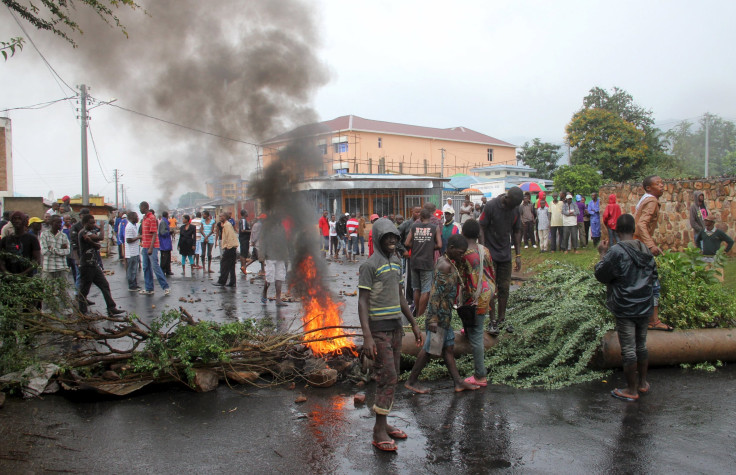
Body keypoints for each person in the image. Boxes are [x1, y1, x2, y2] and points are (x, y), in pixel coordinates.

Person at [358, 218, 422, 452]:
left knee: (390, 375)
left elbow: (401, 296)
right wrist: (367, 337)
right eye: (387, 237)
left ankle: (384, 423)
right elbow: (362, 302)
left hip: (396, 327)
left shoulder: (396, 263)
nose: (392, 240)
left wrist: (414, 324)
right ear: (377, 239)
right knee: (388, 376)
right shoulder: (369, 266)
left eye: (394, 236)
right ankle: (378, 431)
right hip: (379, 329)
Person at [404, 234, 480, 394]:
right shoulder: (444, 266)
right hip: (437, 318)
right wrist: (432, 320)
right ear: (451, 249)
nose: (461, 255)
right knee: (430, 350)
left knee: (448, 349)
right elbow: (435, 295)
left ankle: (458, 382)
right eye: (460, 252)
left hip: (445, 317)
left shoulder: (449, 263)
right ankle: (411, 381)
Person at [594, 214, 655, 403]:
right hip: (645, 304)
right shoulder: (645, 248)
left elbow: (601, 274)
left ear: (617, 230)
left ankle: (631, 389)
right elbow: (653, 274)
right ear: (634, 229)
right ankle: (643, 383)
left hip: (625, 305)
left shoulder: (616, 251)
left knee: (628, 349)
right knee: (641, 345)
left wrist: (602, 253)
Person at [479, 186, 523, 335]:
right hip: (490, 254)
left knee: (504, 287)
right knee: (491, 289)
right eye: (513, 204)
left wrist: (518, 255)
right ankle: (492, 321)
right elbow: (481, 227)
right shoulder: (491, 206)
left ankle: (502, 319)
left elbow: (517, 231)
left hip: (505, 255)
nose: (514, 207)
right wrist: (483, 250)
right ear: (507, 198)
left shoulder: (515, 209)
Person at [460, 219, 495, 387]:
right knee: (473, 321)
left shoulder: (463, 254)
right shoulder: (484, 250)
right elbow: (491, 272)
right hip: (487, 291)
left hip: (476, 295)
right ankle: (468, 329)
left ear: (463, 233)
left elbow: (461, 279)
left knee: (477, 336)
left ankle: (480, 375)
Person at [634, 175, 670, 331]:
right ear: (649, 187)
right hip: (641, 247)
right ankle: (652, 321)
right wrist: (651, 245)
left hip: (636, 244)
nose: (662, 186)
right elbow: (641, 224)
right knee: (653, 283)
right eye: (658, 184)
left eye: (662, 183)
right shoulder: (652, 201)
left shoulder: (646, 198)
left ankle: (646, 319)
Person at [76, 214, 125, 316]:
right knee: (84, 289)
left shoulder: (89, 232)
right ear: (85, 223)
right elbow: (100, 237)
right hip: (86, 265)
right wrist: (102, 227)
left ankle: (111, 308)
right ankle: (82, 311)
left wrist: (97, 230)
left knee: (104, 285)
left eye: (94, 222)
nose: (93, 224)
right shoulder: (83, 233)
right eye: (91, 223)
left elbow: (96, 242)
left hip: (93, 265)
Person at [405, 208, 442, 319]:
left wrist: (416, 246)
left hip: (415, 261)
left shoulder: (414, 227)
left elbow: (407, 242)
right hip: (427, 262)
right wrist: (429, 246)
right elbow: (439, 245)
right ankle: (421, 316)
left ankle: (416, 313)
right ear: (430, 217)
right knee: (426, 289)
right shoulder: (435, 228)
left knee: (416, 288)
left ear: (420, 218)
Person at [138, 201, 170, 296]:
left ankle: (166, 287)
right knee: (146, 267)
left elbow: (154, 234)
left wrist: (151, 248)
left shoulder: (151, 218)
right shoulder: (144, 218)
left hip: (152, 247)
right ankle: (149, 288)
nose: (139, 209)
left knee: (155, 267)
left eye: (140, 207)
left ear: (145, 207)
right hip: (145, 246)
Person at [695, 213, 734, 282]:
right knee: (705, 279)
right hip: (705, 258)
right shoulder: (703, 232)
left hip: (716, 259)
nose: (705, 222)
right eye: (705, 220)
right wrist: (699, 249)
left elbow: (730, 241)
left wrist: (725, 251)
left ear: (712, 222)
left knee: (718, 279)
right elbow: (697, 241)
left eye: (707, 221)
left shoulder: (718, 233)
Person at [0, 211, 41, 276]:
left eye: (19, 219)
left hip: (26, 279)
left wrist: (23, 274)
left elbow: (37, 261)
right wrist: (6, 272)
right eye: (14, 219)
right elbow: (1, 259)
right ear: (11, 222)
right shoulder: (5, 240)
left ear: (24, 222)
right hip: (8, 279)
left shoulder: (32, 239)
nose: (17, 221)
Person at [261, 217, 289, 306]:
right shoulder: (267, 228)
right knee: (269, 277)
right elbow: (263, 242)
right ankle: (264, 292)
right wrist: (262, 255)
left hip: (280, 256)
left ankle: (278, 299)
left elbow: (285, 241)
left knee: (280, 277)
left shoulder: (282, 227)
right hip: (270, 256)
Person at [40, 215, 70, 281]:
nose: (60, 224)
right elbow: (44, 251)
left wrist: (52, 249)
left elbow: (67, 251)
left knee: (63, 291)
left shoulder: (63, 236)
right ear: (51, 223)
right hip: (48, 268)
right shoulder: (44, 234)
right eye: (57, 222)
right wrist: (60, 249)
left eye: (61, 222)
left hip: (62, 268)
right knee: (48, 290)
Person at [214, 211, 238, 287]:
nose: (220, 218)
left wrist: (228, 247)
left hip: (230, 248)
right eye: (219, 216)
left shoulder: (227, 225)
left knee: (224, 265)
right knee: (231, 266)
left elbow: (230, 236)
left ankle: (222, 281)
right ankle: (232, 282)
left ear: (225, 217)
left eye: (221, 216)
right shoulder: (225, 225)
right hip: (231, 247)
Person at [124, 211, 141, 291]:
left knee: (134, 270)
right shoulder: (129, 227)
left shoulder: (134, 226)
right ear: (131, 218)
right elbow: (128, 240)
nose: (137, 218)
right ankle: (131, 285)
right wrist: (138, 237)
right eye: (136, 217)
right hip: (131, 252)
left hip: (135, 251)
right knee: (131, 270)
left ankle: (134, 284)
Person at [158, 211, 174, 276]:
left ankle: (168, 270)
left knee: (168, 258)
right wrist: (169, 232)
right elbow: (162, 232)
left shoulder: (165, 222)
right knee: (164, 259)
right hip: (164, 244)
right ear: (167, 215)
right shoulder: (163, 222)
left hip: (166, 243)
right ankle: (163, 271)